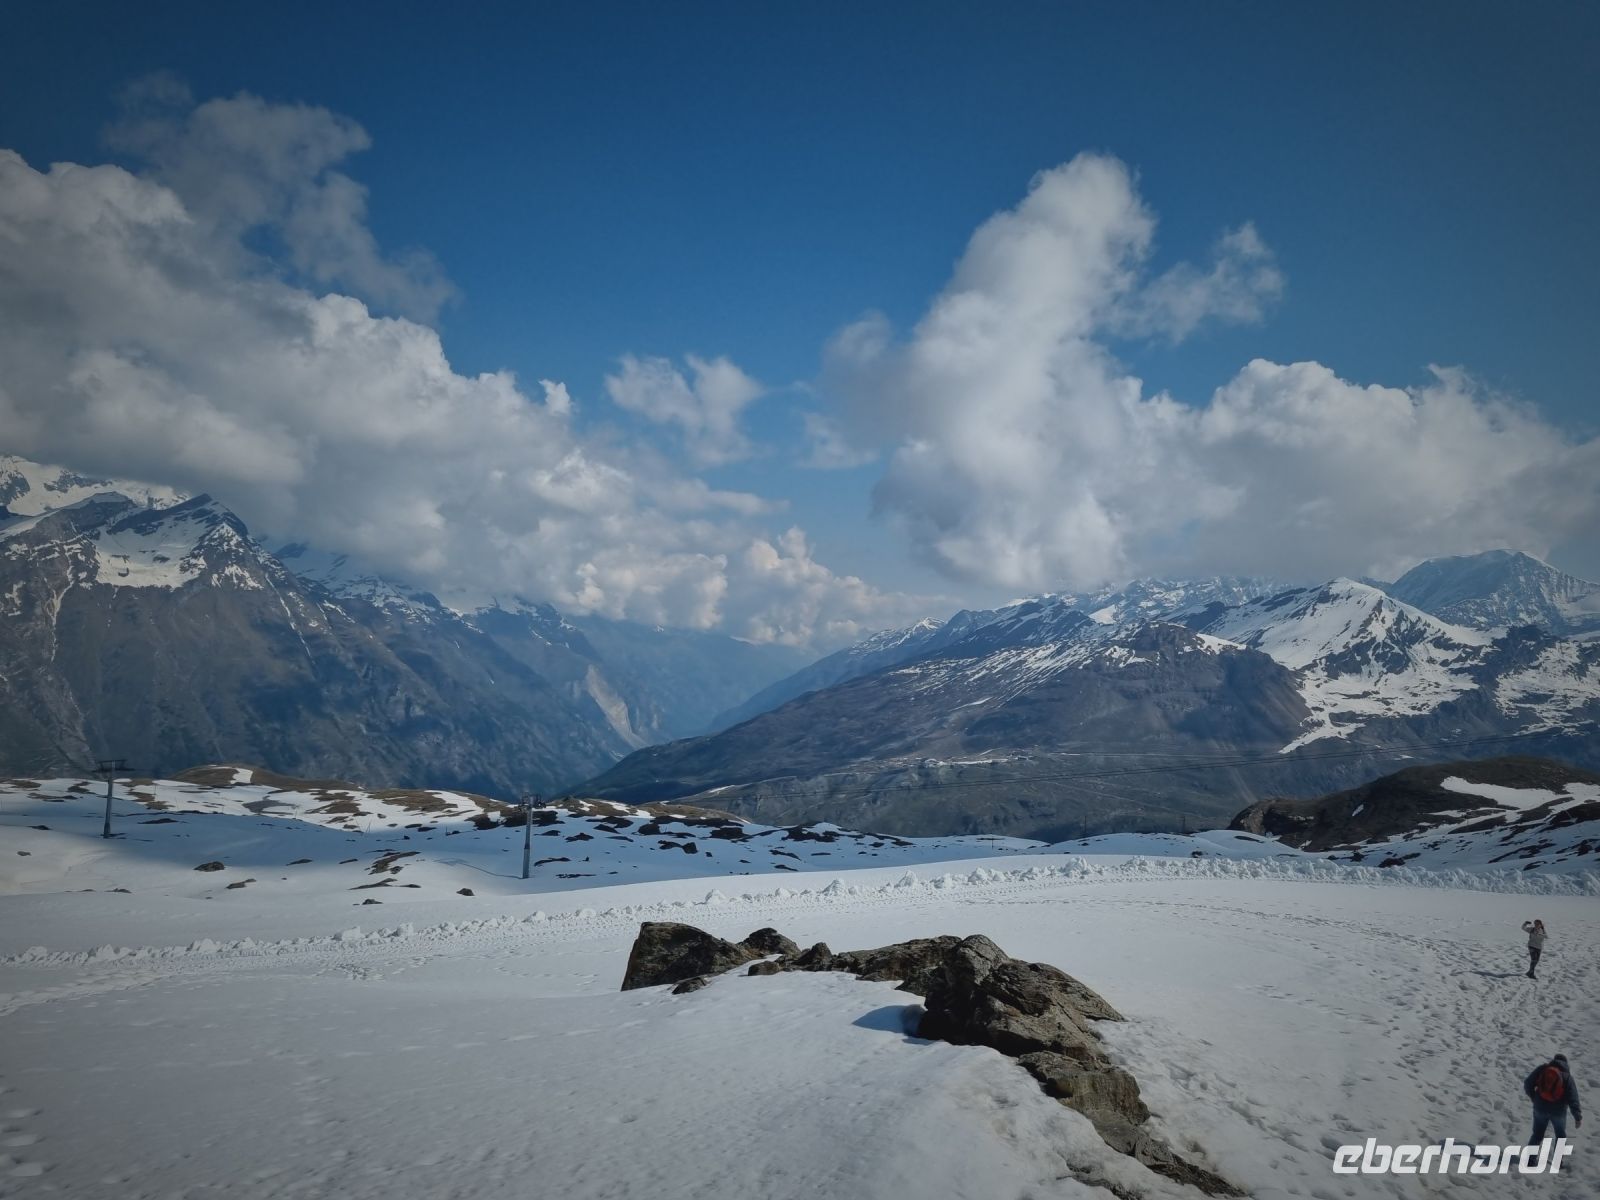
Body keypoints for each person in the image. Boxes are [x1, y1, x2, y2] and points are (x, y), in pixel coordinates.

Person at [1524, 1054, 1582, 1144]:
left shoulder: (1542, 1069)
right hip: (1558, 1112)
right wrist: (1577, 1116)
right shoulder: (1567, 1077)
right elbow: (1573, 1098)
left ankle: (1530, 1158)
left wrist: (1534, 1097)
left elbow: (1528, 1083)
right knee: (1560, 1137)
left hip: (1540, 1107)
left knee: (1537, 1134)